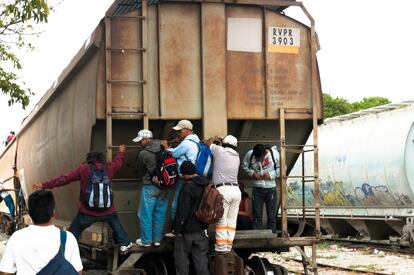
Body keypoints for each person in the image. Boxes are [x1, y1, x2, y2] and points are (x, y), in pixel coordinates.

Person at [32, 145, 133, 253]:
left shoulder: (84, 169)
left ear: (89, 159)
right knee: (115, 222)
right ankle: (125, 243)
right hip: (108, 211)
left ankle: (66, 250)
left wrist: (44, 185)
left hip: (87, 212)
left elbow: (64, 179)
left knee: (73, 233)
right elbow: (118, 162)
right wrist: (121, 152)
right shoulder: (109, 167)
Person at [0, 190, 83, 274]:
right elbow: (78, 272)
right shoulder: (67, 238)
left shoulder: (17, 237)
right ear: (53, 213)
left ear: (30, 214)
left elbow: (5, 272)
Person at [205, 135, 241, 253]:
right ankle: (228, 246)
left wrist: (214, 139)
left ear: (224, 144)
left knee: (221, 219)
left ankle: (221, 248)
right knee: (231, 221)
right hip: (236, 191)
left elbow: (208, 142)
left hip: (223, 190)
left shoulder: (219, 151)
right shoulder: (237, 156)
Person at [173, 161, 209, 275]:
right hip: (202, 229)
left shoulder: (187, 187)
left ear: (186, 174)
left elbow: (183, 210)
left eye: (183, 175)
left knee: (181, 259)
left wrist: (177, 229)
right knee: (201, 260)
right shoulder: (206, 184)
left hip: (187, 230)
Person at [133, 129, 168, 247]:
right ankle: (157, 240)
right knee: (159, 213)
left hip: (150, 186)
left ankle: (146, 241)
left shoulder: (144, 153)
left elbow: (138, 168)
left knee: (145, 214)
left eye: (141, 140)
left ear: (147, 139)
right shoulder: (163, 148)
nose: (139, 143)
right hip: (163, 186)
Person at [161, 120, 200, 225]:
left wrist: (165, 146)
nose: (178, 133)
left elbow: (173, 154)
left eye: (179, 130)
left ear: (187, 130)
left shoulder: (186, 143)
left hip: (184, 178)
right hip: (195, 177)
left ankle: (176, 229)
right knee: (190, 204)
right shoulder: (196, 141)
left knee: (176, 204)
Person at [242, 144, 279, 233]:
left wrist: (271, 175)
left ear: (265, 153)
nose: (258, 160)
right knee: (257, 216)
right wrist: (252, 173)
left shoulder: (274, 154)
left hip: (271, 188)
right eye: (256, 158)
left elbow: (281, 168)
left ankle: (271, 237)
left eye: (260, 158)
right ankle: (257, 237)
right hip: (257, 188)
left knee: (272, 215)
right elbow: (244, 165)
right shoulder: (250, 154)